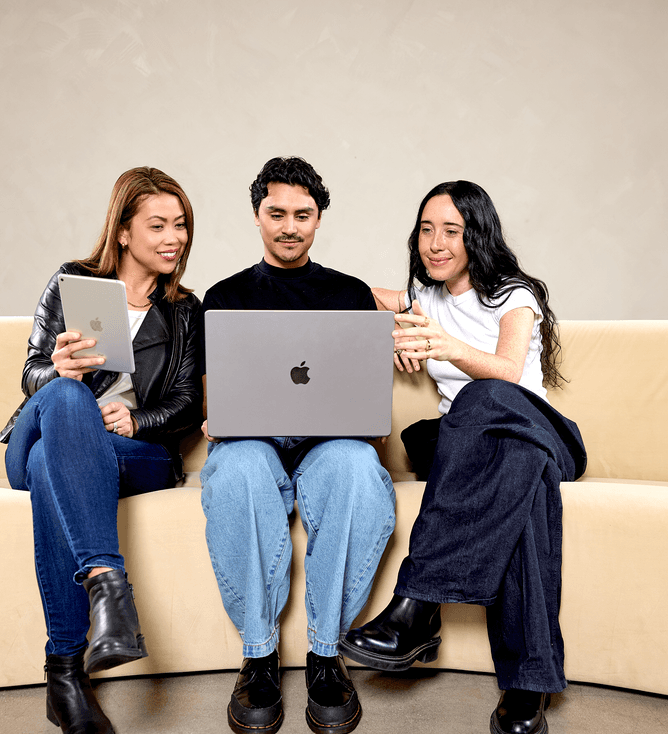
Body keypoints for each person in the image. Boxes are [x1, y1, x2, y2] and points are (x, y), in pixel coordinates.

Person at [339, 181, 586, 734]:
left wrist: (442, 346)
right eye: (426, 230)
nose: (435, 243)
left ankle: (417, 603)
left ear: (477, 234)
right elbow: (363, 297)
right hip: (472, 447)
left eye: (451, 230)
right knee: (519, 484)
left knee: (484, 397)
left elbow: (506, 370)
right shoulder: (423, 296)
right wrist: (394, 332)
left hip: (537, 429)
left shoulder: (513, 296)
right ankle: (527, 687)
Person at [0, 167, 202, 734]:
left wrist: (138, 419)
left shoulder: (184, 309)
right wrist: (58, 371)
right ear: (122, 232)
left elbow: (186, 404)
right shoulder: (71, 281)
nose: (174, 238)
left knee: (50, 467)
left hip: (129, 453)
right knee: (65, 401)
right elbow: (30, 372)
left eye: (180, 225)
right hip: (46, 426)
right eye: (158, 225)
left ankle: (64, 675)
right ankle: (109, 584)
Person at [199, 157, 396, 734]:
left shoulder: (351, 293)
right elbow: (213, 403)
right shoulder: (224, 296)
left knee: (358, 465)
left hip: (328, 443)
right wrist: (218, 420)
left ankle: (325, 653)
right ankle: (259, 656)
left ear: (319, 219)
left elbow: (369, 398)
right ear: (257, 216)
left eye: (302, 215)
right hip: (251, 440)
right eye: (276, 213)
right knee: (237, 468)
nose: (290, 226)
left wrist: (368, 418)